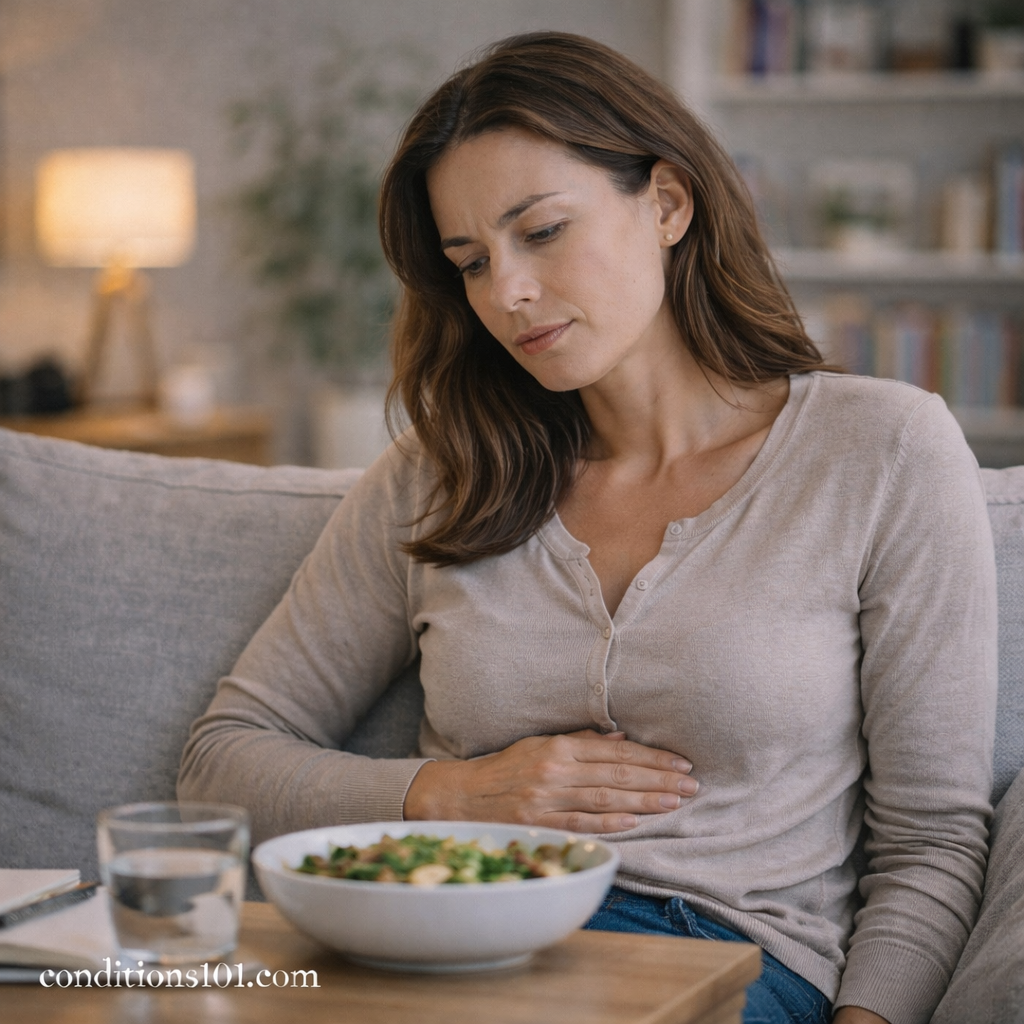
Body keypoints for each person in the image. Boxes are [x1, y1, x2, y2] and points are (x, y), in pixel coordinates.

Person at [178, 32, 997, 1024]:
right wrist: (450, 794)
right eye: (470, 262)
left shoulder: (881, 448)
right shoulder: (441, 472)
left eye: (542, 231)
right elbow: (221, 760)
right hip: (439, 944)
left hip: (725, 965)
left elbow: (933, 840)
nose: (506, 292)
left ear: (666, 202)